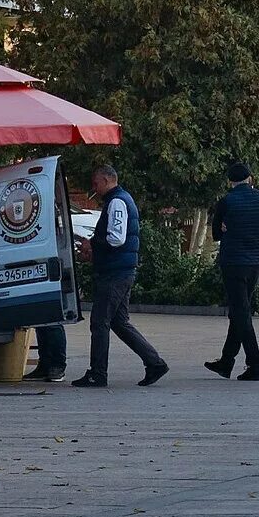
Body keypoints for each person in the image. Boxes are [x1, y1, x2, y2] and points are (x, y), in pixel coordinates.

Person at [72, 165, 168, 389]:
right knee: (119, 322)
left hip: (115, 272)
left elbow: (116, 238)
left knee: (100, 321)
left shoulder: (116, 202)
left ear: (107, 180)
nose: (94, 189)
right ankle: (154, 363)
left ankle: (98, 373)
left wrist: (92, 244)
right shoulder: (120, 200)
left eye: (96, 183)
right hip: (121, 269)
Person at [204, 161, 259, 381]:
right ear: (250, 178)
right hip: (255, 262)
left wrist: (226, 228)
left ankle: (255, 364)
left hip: (233, 262)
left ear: (230, 181)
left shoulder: (226, 201)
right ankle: (226, 361)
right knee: (239, 311)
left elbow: (216, 233)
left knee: (241, 312)